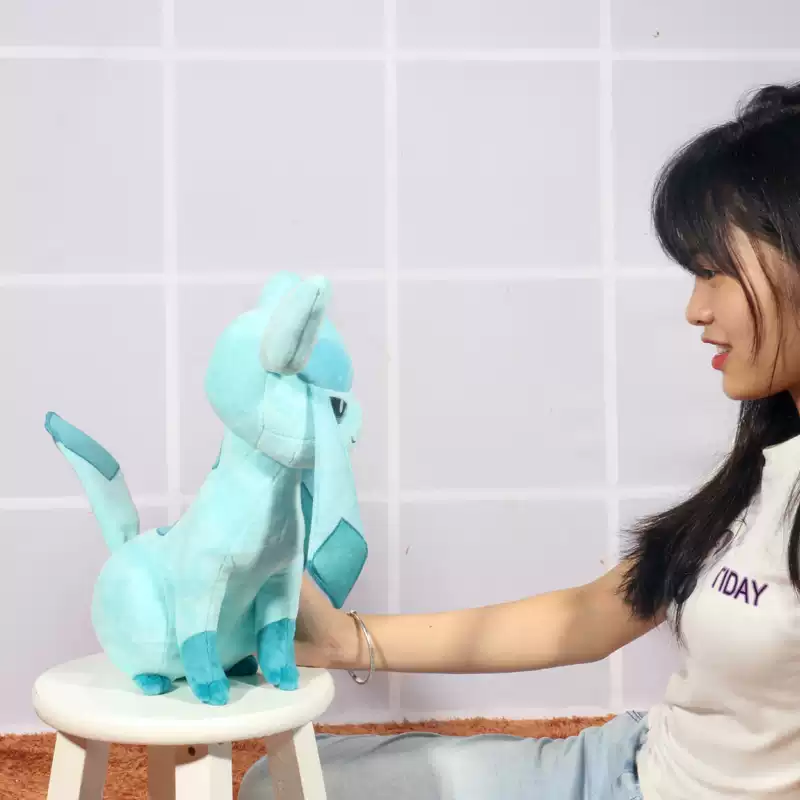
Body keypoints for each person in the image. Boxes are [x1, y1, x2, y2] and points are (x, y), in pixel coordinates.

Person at [244, 82, 800, 799]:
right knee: (280, 784)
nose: (695, 309)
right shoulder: (765, 468)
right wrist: (346, 640)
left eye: (713, 272)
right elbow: (590, 616)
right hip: (629, 764)